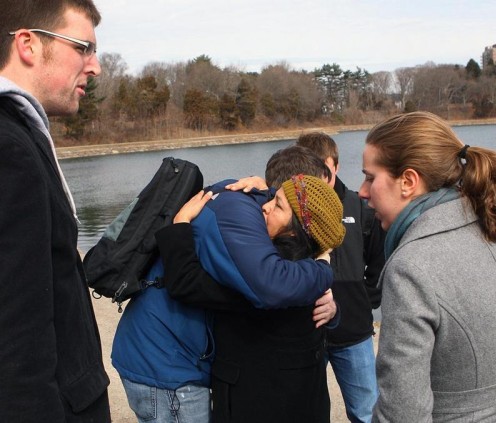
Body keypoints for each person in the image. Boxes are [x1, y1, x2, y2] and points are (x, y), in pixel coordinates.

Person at [358, 111, 496, 422]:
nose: (362, 191)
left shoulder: (411, 266)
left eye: (370, 177)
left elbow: (403, 413)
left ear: (408, 181)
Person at [112, 171, 345, 423]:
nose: (264, 207)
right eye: (272, 197)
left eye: (276, 204)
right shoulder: (302, 263)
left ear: (296, 231)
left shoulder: (265, 273)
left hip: (252, 399)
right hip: (167, 368)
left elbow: (186, 283)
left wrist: (179, 225)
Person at [0, 1, 111, 422]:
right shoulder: (9, 148)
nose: (95, 66)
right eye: (83, 47)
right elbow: (16, 338)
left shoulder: (18, 135)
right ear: (28, 44)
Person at [296, 132, 385, 423]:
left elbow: (378, 262)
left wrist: (362, 301)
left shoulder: (359, 205)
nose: (319, 176)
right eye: (311, 169)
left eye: (325, 168)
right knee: (307, 411)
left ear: (335, 166)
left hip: (353, 333)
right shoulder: (290, 208)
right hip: (306, 332)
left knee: (365, 411)